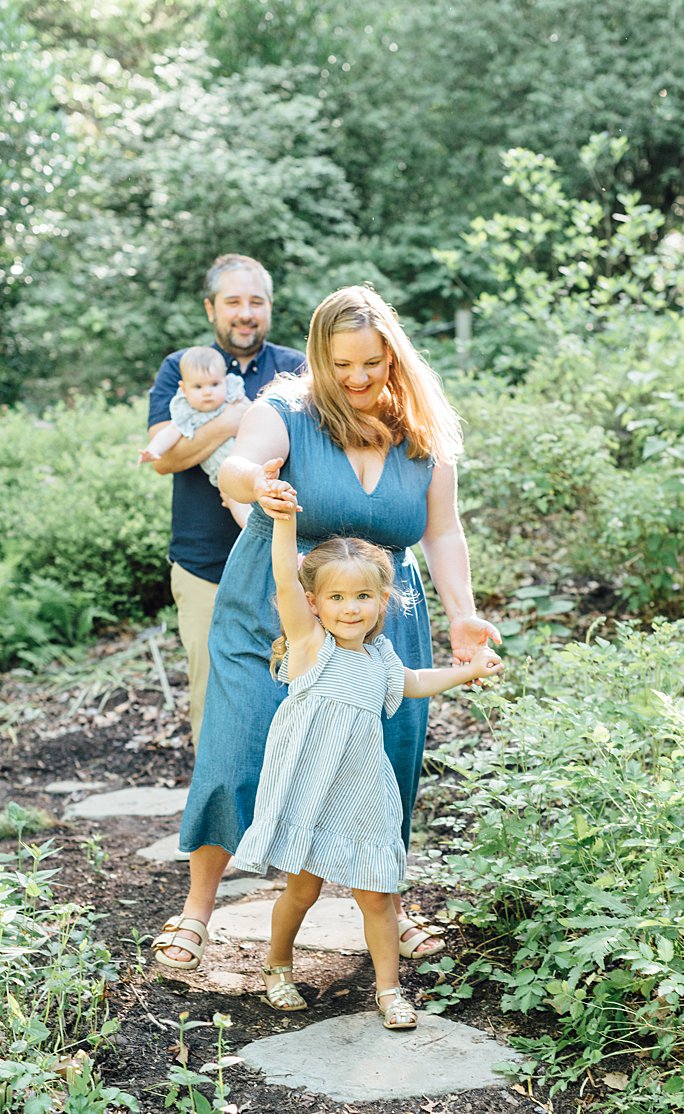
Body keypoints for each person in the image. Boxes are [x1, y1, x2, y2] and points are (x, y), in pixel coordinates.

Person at [153, 285, 501, 974]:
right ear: (319, 357)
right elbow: (239, 462)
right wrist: (259, 485)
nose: (358, 378)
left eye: (372, 363)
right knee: (239, 747)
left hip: (381, 617)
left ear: (393, 356)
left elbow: (443, 529)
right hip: (274, 613)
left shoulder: (421, 433)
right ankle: (197, 908)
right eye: (342, 364)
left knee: (386, 759)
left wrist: (463, 614)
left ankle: (386, 906)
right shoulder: (288, 407)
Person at [232, 500, 501, 1028]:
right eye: (336, 597)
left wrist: (467, 673)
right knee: (302, 889)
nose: (350, 608)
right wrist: (284, 524)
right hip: (313, 787)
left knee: (378, 895)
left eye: (362, 596)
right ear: (314, 604)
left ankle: (388, 990)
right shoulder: (312, 648)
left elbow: (414, 683)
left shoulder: (380, 659)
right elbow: (285, 580)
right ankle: (278, 964)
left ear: (382, 601)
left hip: (362, 788)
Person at [146, 255, 306, 747]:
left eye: (256, 302)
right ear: (211, 308)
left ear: (270, 308)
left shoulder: (294, 368)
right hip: (203, 565)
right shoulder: (183, 367)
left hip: (285, 564)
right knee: (211, 697)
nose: (245, 313)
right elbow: (163, 456)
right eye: (233, 302)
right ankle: (214, 820)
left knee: (295, 691)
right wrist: (229, 422)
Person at [138, 348, 252, 528]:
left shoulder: (233, 398)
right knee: (236, 502)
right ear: (184, 389)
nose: (207, 392)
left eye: (214, 384)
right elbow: (169, 433)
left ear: (225, 381)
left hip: (253, 462)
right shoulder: (187, 413)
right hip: (225, 474)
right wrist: (153, 450)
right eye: (198, 387)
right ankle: (255, 533)